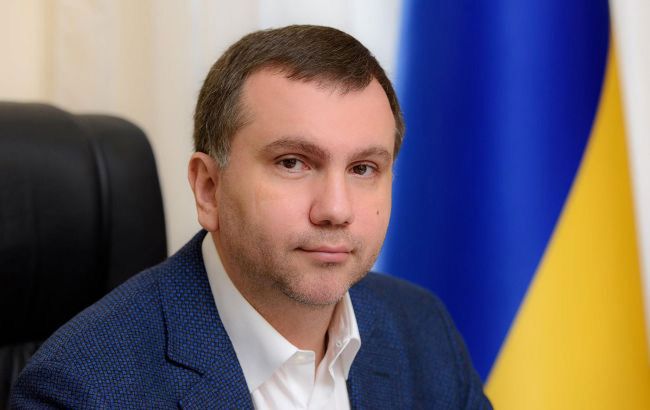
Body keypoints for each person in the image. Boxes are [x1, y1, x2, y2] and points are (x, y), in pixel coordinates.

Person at [10, 25, 491, 409]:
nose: (336, 209)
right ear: (208, 188)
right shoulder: (81, 389)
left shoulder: (423, 330)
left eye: (363, 169)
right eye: (293, 163)